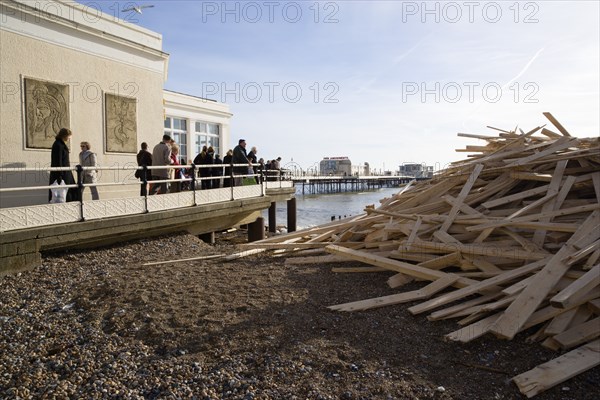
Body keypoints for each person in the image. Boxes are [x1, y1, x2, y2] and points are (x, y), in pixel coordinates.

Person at [49, 127, 80, 202]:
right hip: (62, 173)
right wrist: (60, 175)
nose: (69, 138)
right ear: (64, 135)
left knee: (72, 191)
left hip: (65, 171)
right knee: (68, 192)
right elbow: (58, 160)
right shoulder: (58, 145)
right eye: (68, 136)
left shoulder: (60, 144)